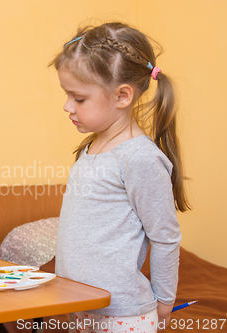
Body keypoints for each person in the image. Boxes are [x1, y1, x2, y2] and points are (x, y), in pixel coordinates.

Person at [50, 22, 189, 333]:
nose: (66, 106)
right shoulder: (91, 148)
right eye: (66, 95)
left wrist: (165, 300)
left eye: (79, 98)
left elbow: (165, 237)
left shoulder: (140, 157)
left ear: (122, 96)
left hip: (123, 312)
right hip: (81, 304)